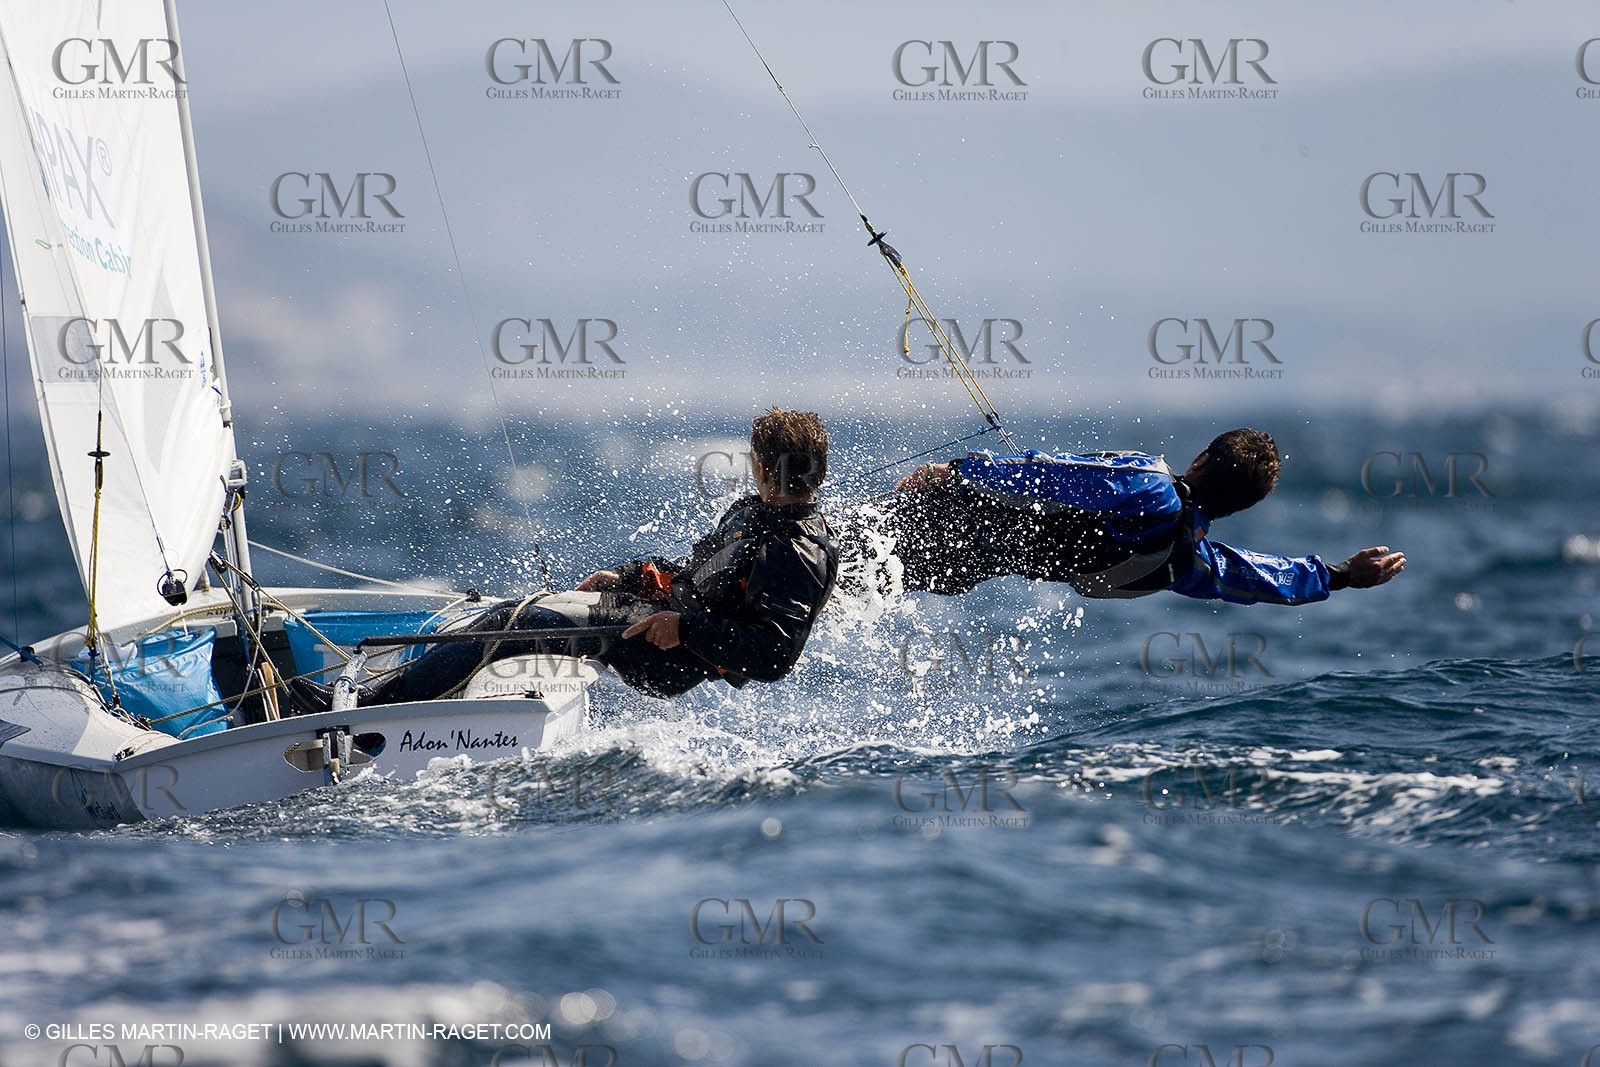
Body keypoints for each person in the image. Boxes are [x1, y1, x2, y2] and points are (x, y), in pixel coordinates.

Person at [288, 409, 838, 708]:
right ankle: (391, 693)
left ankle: (371, 707)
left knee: (523, 621)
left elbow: (772, 658)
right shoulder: (751, 514)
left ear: (766, 468)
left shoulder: (798, 552)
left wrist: (683, 627)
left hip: (671, 655)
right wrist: (627, 577)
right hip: (654, 615)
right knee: (519, 609)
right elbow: (698, 574)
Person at [859, 427, 1403, 604]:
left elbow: (1052, 475)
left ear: (1202, 460)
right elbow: (1258, 575)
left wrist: (955, 470)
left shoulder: (1151, 485)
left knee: (818, 547)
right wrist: (1339, 576)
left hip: (943, 520)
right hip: (960, 569)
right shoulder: (1190, 562)